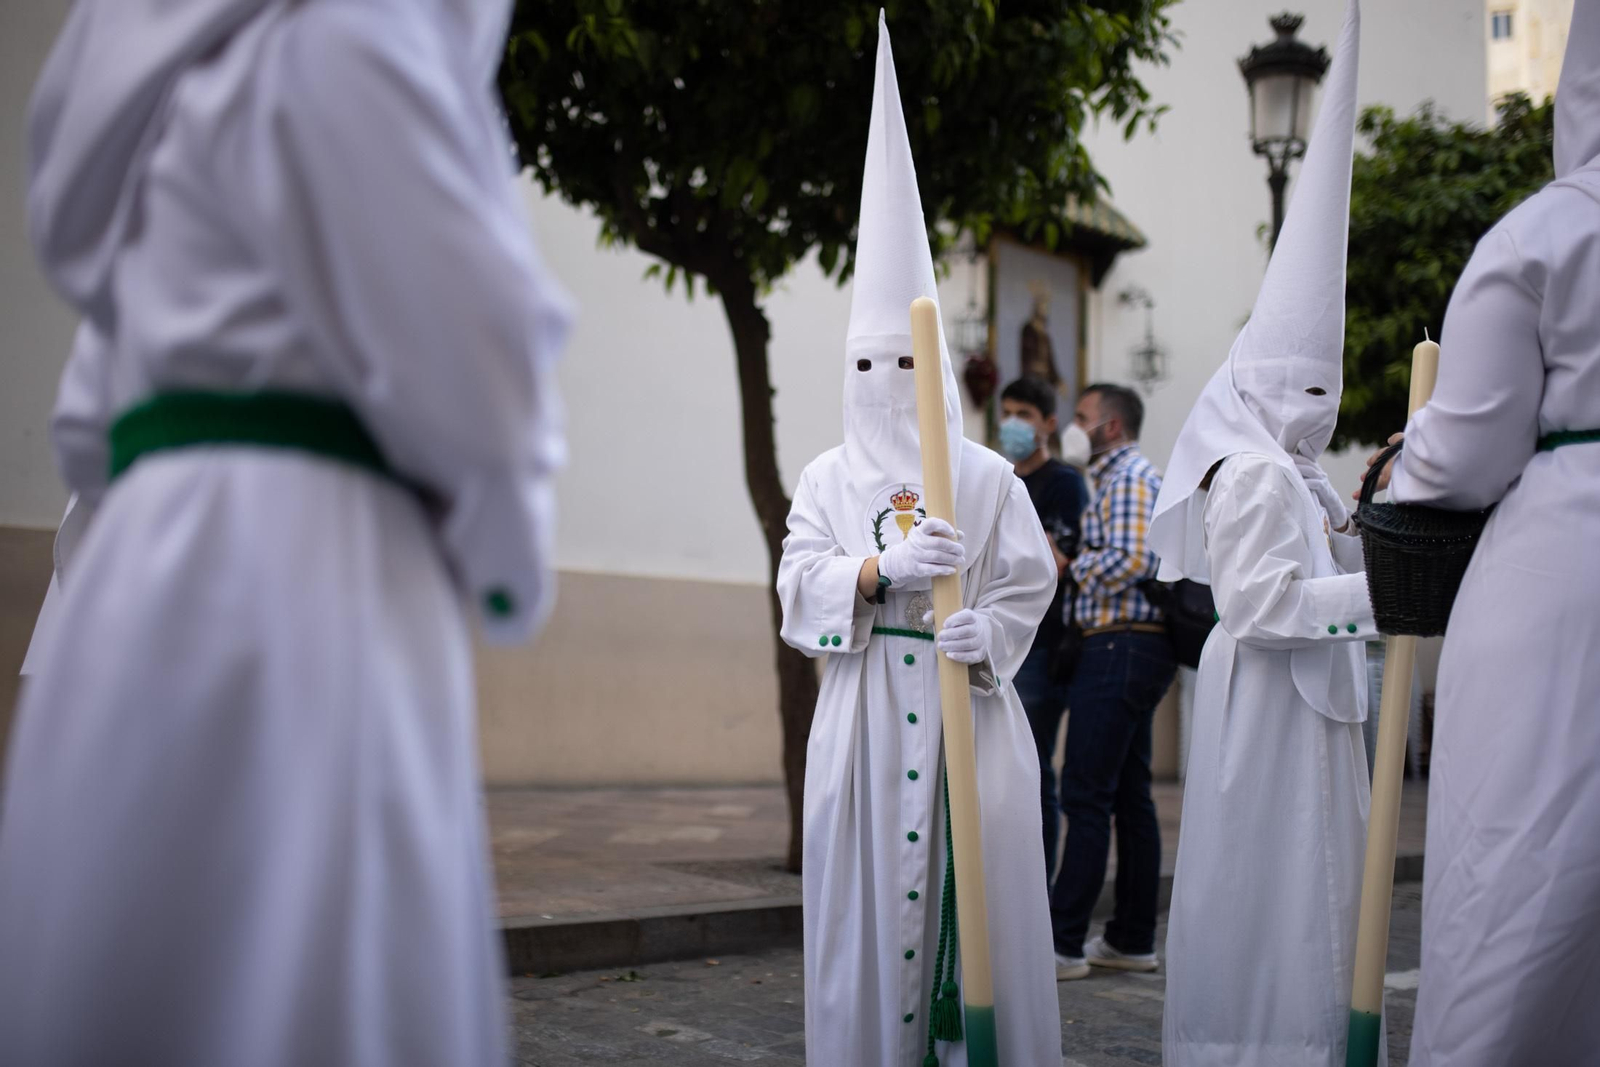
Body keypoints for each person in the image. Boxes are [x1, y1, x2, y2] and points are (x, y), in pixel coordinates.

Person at [0, 1, 573, 1064]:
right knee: (314, 951)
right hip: (309, 564)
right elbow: (471, 342)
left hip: (140, 565)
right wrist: (506, 547)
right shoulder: (355, 32)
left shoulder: (165, 90)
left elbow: (87, 418)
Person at [776, 15, 1062, 1066]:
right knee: (862, 927)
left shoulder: (985, 475)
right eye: (865, 365)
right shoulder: (822, 475)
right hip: (858, 728)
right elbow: (795, 579)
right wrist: (871, 569)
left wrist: (985, 630)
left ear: (934, 369)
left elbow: (1029, 584)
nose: (882, 386)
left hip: (964, 725)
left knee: (970, 918)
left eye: (902, 364)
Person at [1365, 4, 1600, 1061]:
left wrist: (1391, 465)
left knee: (1522, 867)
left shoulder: (1550, 230)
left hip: (1562, 575)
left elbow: (1462, 456)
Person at [1149, 5, 1379, 1063]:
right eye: (1304, 384)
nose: (1319, 404)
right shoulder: (1246, 471)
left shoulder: (1300, 470)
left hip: (1310, 718)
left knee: (1315, 888)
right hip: (1266, 715)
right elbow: (1261, 602)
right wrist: (1385, 595)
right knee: (1274, 891)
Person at [1049, 381, 1174, 980]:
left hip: (1120, 643)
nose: (1073, 426)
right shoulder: (1122, 478)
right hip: (1133, 647)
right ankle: (1131, 938)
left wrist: (1073, 566)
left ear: (1112, 426)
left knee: (1085, 793)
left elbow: (1132, 558)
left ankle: (1062, 943)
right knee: (1128, 795)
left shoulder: (1129, 479)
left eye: (1081, 415)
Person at [996, 376, 1088, 884]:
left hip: (1041, 645)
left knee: (1031, 770)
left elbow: (1060, 561)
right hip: (992, 639)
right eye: (1007, 412)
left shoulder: (1064, 483)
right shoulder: (996, 478)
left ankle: (1038, 891)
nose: (1012, 423)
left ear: (1049, 423)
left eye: (1024, 414)